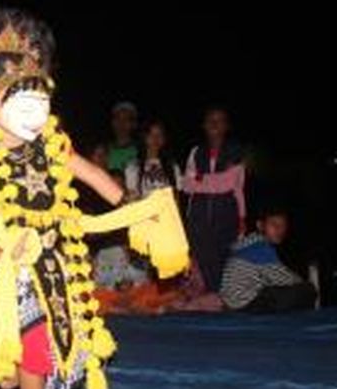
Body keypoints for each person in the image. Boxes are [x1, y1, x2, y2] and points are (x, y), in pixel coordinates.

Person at [0, 9, 188, 389]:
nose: (37, 114)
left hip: (59, 259)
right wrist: (5, 260)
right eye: (24, 104)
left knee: (58, 349)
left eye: (42, 103)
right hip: (11, 266)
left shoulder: (53, 147)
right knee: (35, 343)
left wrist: (135, 208)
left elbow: (95, 175)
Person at [183, 106, 246, 292]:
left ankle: (223, 307)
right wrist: (215, 181)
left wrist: (242, 218)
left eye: (220, 120)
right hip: (198, 218)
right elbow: (186, 184)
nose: (214, 123)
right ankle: (209, 308)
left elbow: (234, 186)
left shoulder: (236, 151)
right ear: (203, 125)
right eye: (210, 119)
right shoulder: (196, 152)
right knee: (203, 266)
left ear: (227, 126)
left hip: (227, 215)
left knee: (226, 264)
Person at [220, 208, 316, 313]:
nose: (280, 230)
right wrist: (305, 284)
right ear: (260, 225)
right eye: (274, 224)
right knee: (307, 291)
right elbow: (284, 278)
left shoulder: (248, 244)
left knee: (279, 290)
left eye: (283, 225)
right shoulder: (260, 248)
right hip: (244, 305)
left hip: (231, 304)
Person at [124, 120, 181, 200]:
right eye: (151, 134)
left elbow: (176, 195)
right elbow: (132, 195)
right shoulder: (133, 166)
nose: (155, 138)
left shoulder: (172, 166)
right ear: (144, 137)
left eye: (159, 135)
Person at [107, 101, 138, 172]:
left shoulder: (141, 151)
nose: (121, 123)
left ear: (134, 124)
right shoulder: (104, 150)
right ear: (112, 123)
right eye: (118, 118)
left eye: (127, 119)